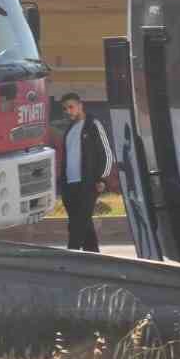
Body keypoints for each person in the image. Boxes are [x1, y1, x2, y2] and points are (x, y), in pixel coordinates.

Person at [58, 93, 114, 251]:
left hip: (88, 184)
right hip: (70, 185)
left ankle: (71, 255)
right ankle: (94, 255)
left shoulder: (92, 124)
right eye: (65, 108)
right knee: (83, 223)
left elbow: (107, 153)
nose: (68, 111)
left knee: (77, 224)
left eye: (71, 107)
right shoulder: (69, 130)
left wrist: (102, 179)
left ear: (80, 105)